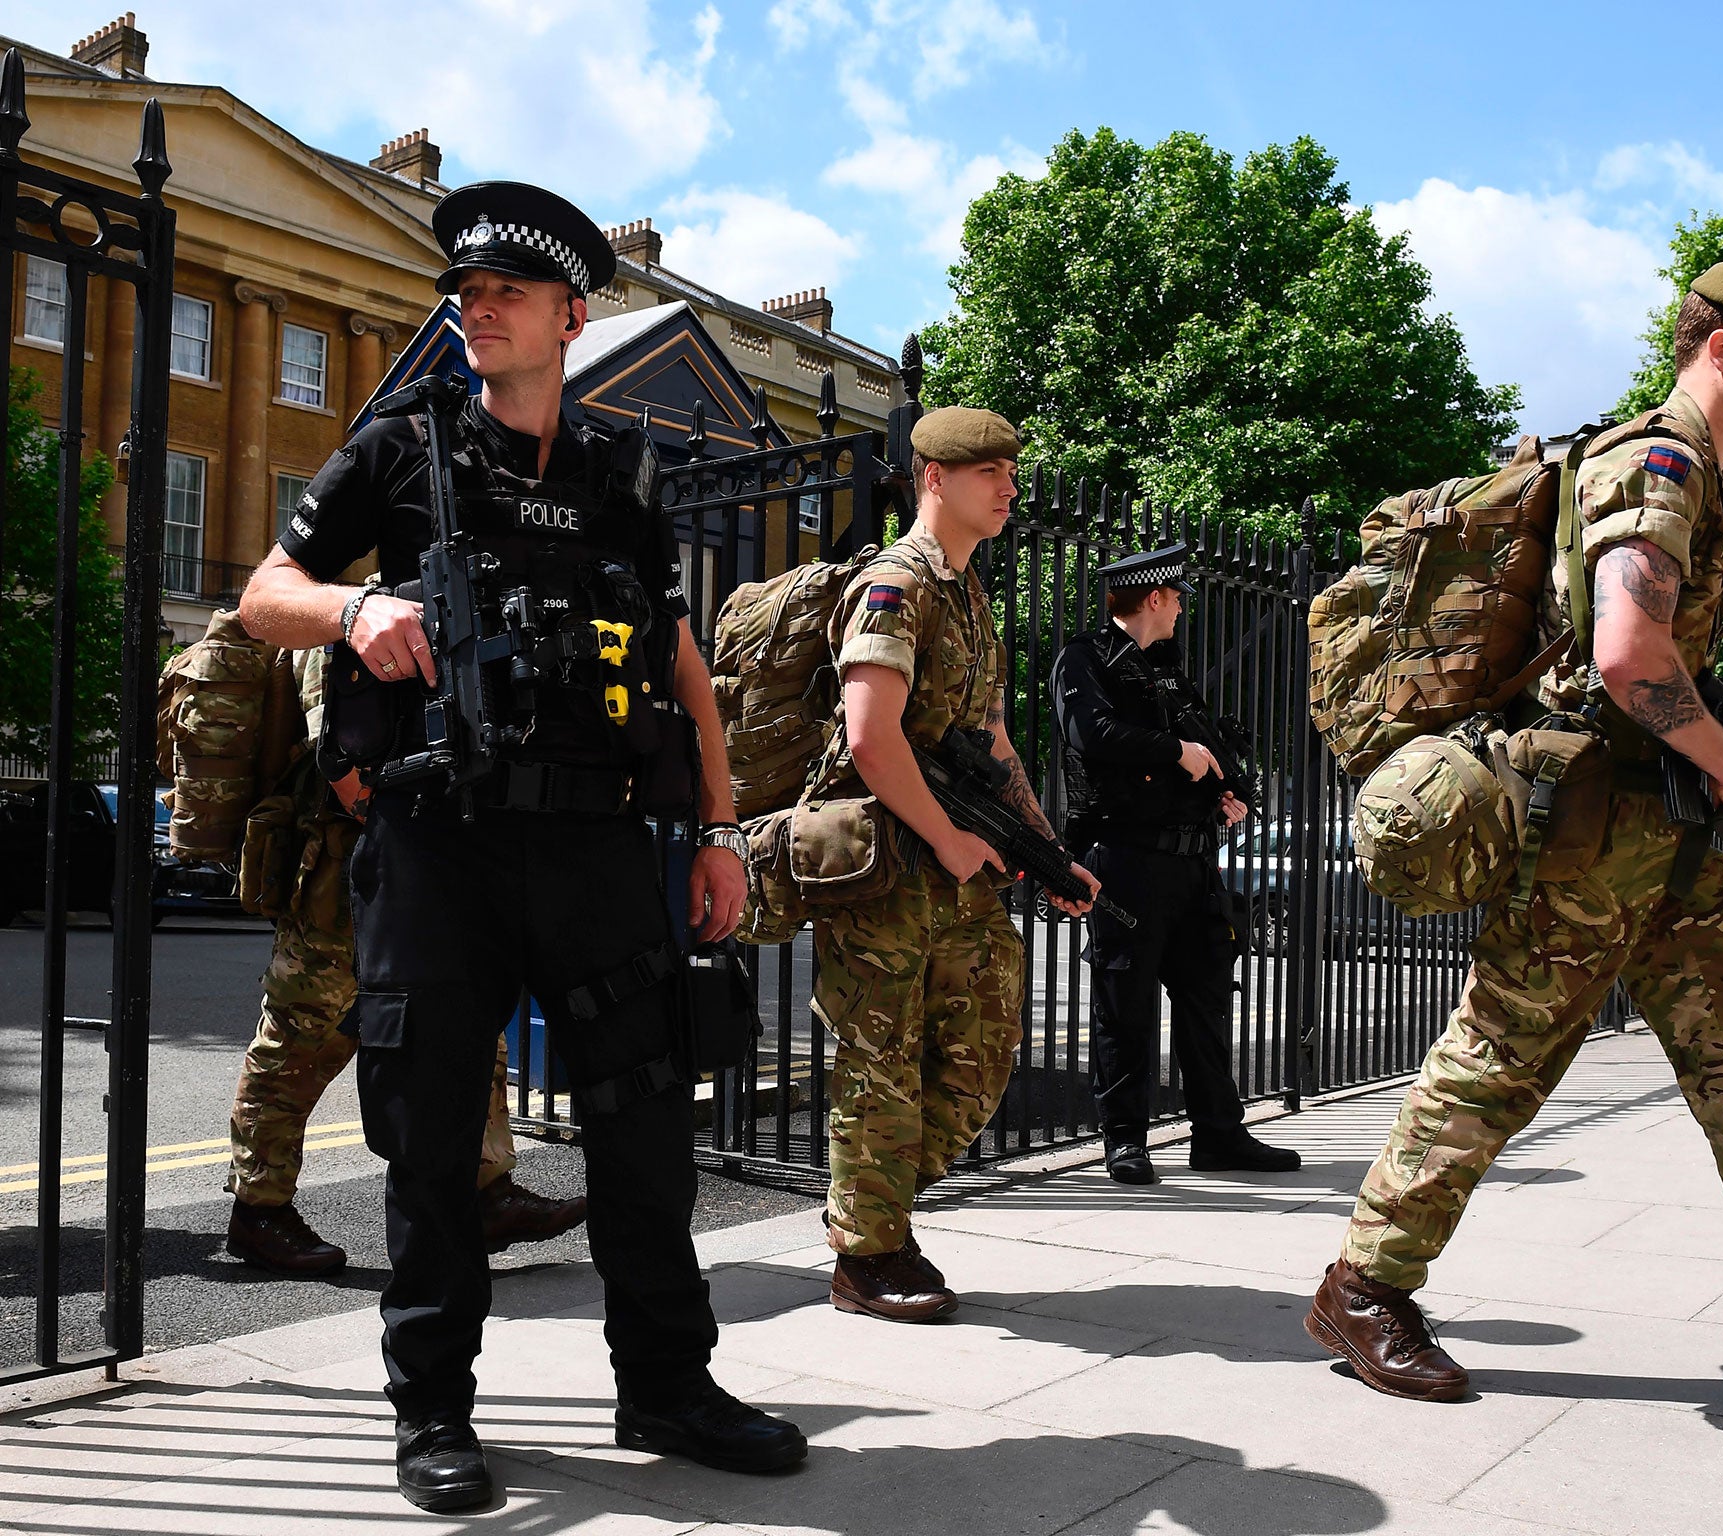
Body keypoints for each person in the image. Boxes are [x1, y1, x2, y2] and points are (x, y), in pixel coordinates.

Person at [1305, 256, 1723, 1412]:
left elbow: (1663, 680)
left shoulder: (1700, 475)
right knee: (1500, 1061)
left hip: (1651, 830)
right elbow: (1620, 657)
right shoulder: (1657, 460)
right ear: (1721, 347)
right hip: (1588, 831)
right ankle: (1361, 1287)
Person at [240, 181, 805, 1513]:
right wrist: (354, 609)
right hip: (439, 847)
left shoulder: (622, 479)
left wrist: (720, 831)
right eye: (465, 293)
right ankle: (433, 1412)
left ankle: (668, 1386)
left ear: (569, 314)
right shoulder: (399, 447)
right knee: (433, 1144)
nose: (474, 309)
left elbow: (675, 656)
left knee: (647, 1129)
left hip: (601, 847)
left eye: (503, 294)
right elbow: (265, 595)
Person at [811, 405, 1099, 1323]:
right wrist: (948, 837)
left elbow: (995, 743)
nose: (1009, 485)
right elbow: (868, 735)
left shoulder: (972, 597)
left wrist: (1044, 847)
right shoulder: (897, 584)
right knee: (881, 1062)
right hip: (887, 870)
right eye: (989, 471)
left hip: (958, 866)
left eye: (1012, 470)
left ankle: (879, 1213)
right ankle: (867, 1251)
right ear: (933, 478)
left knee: (980, 1057)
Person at [225, 649, 587, 1275]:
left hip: (426, 868)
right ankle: (259, 1212)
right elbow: (347, 772)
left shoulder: (429, 614)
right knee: (298, 1045)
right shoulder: (343, 628)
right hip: (343, 880)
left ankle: (488, 1193)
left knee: (471, 1027)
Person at [1052, 545, 1301, 1184]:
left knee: (1206, 1002)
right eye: (1178, 597)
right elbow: (1092, 735)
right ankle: (1125, 1141)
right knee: (1125, 1004)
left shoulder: (1168, 672)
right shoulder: (1084, 660)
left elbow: (1209, 754)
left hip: (1193, 865)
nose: (1184, 608)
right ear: (1154, 598)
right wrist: (1176, 752)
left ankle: (1218, 1135)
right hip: (1126, 861)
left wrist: (1227, 796)